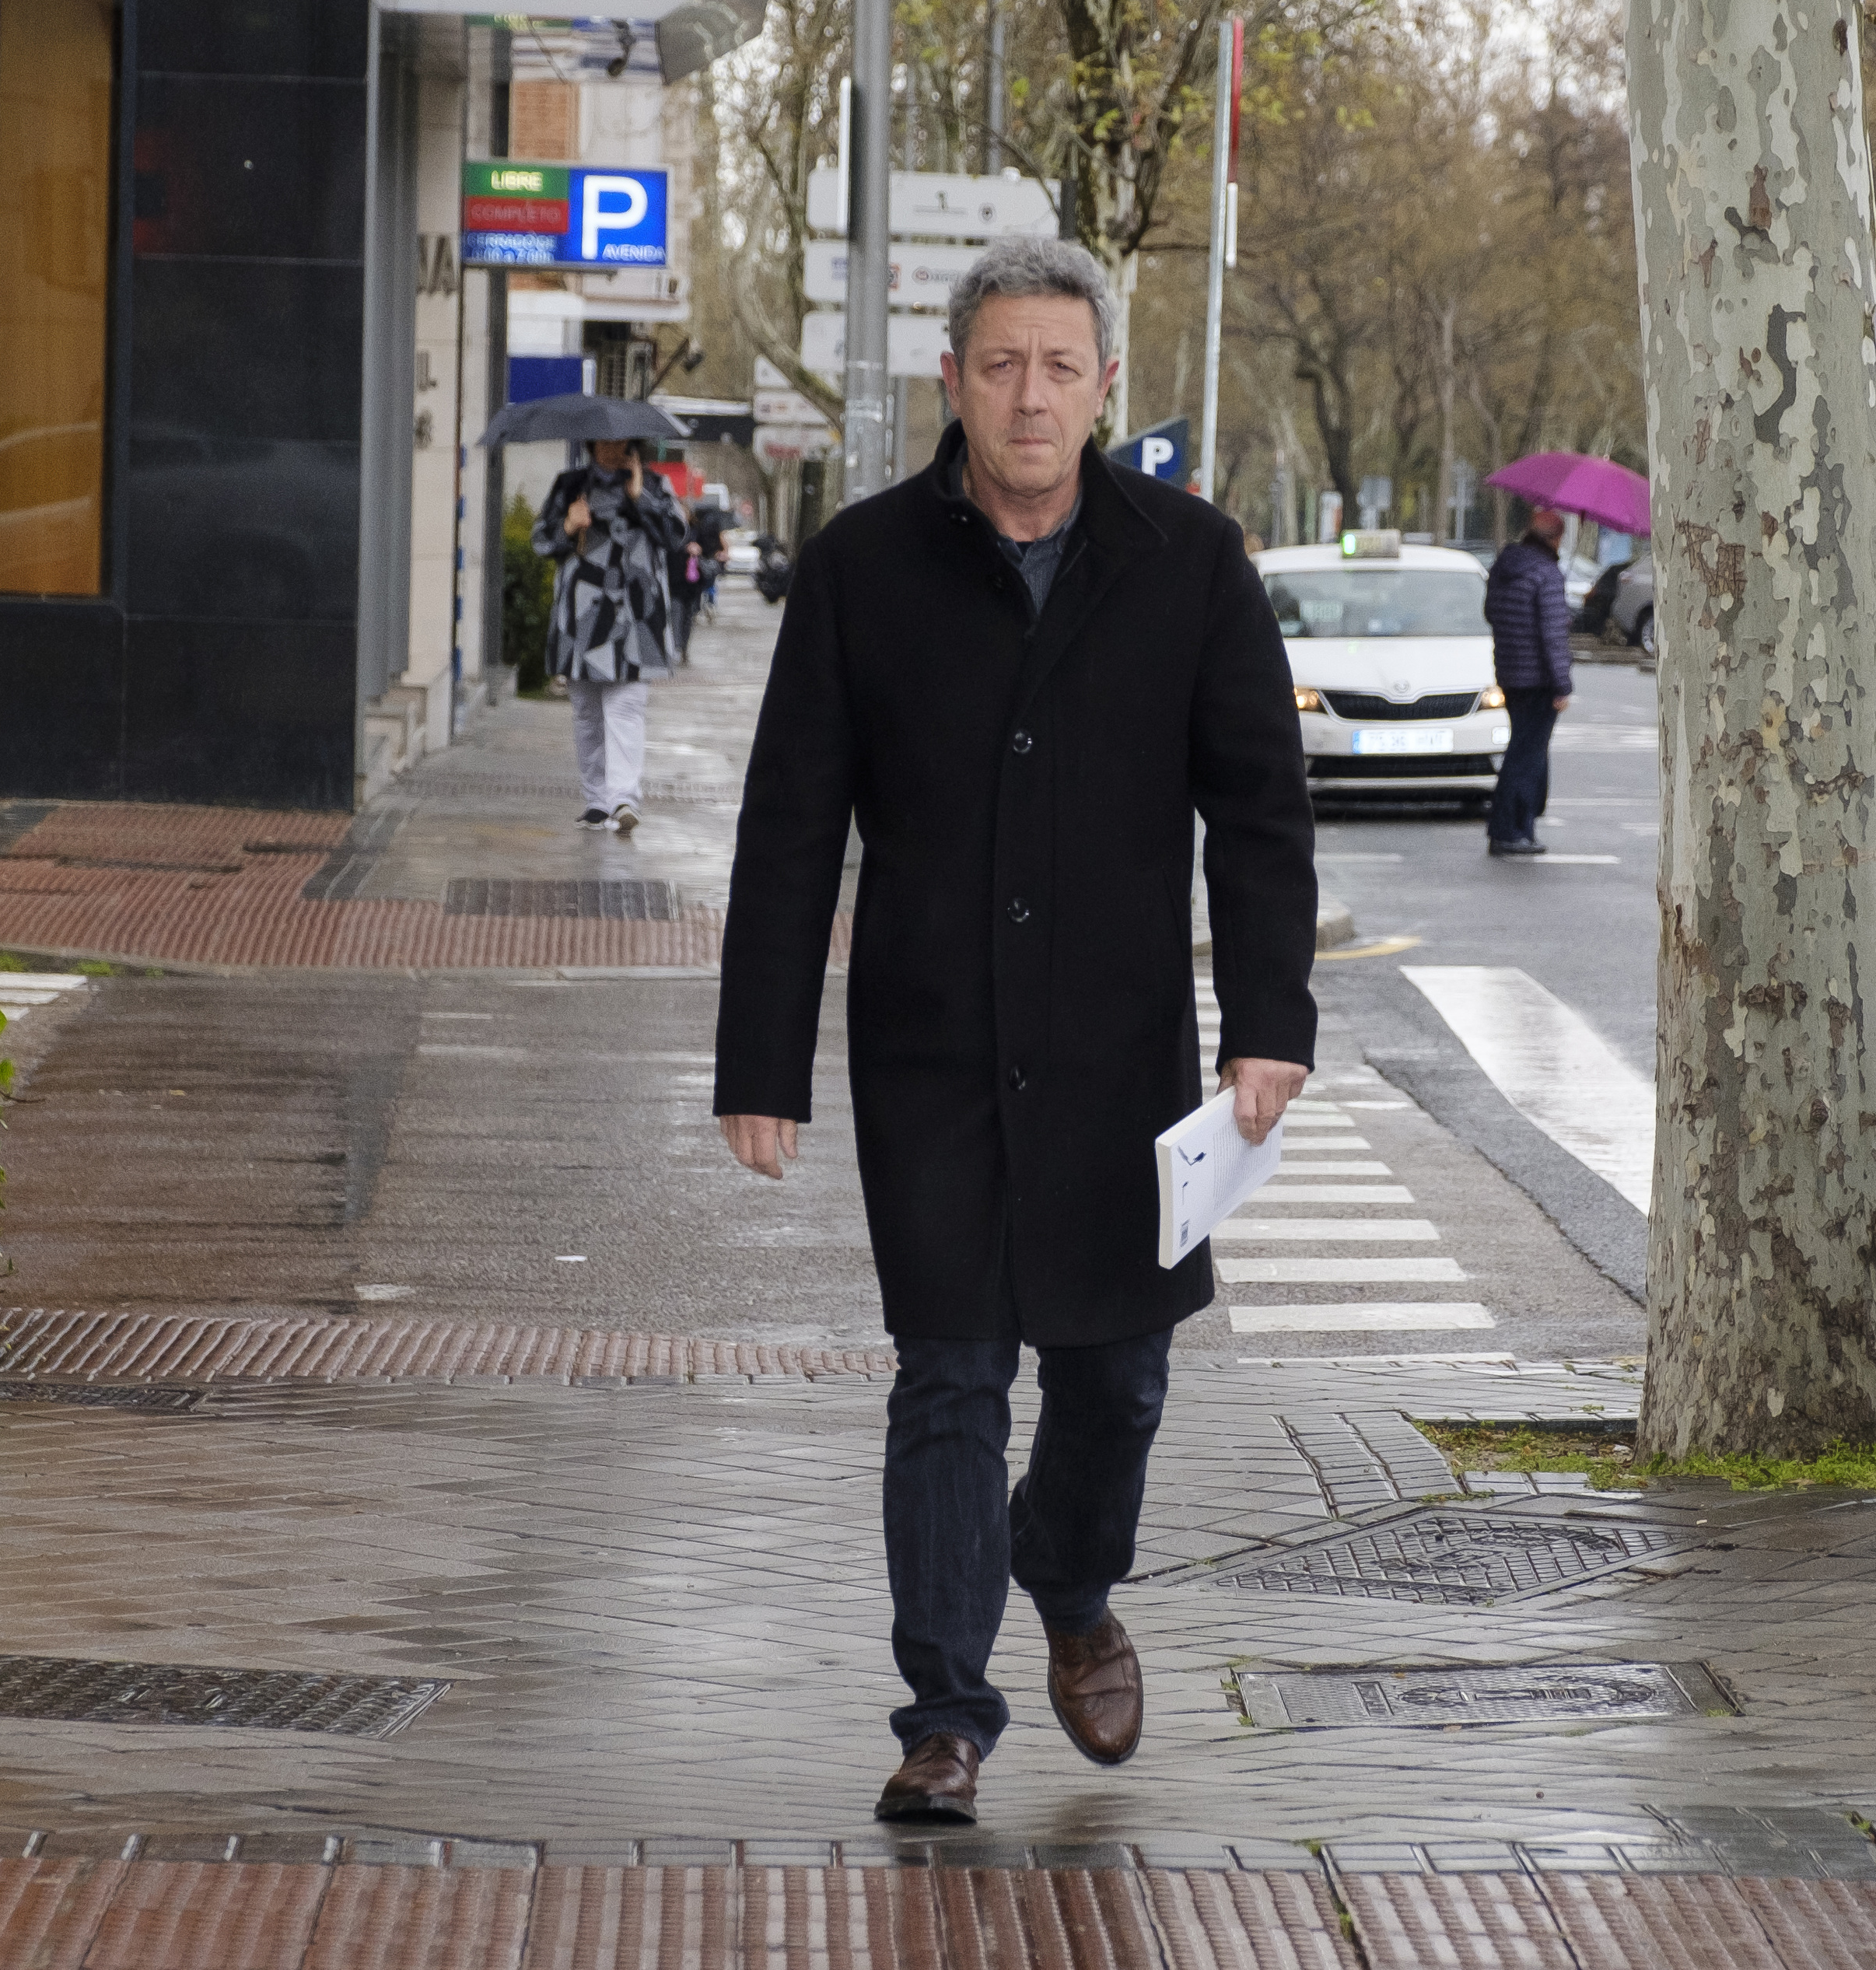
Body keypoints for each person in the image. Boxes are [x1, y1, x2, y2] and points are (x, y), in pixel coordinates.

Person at [712, 236, 1318, 1827]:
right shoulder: (859, 567)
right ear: (953, 384)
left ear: (1105, 385)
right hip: (929, 1054)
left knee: (1115, 1378)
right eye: (1000, 365)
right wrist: (758, 1065)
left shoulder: (1191, 562)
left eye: (1059, 366)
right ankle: (944, 1715)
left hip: (1124, 1060)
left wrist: (1270, 1020)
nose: (1029, 395)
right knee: (953, 1377)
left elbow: (1260, 814)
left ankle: (1071, 1578)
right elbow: (790, 826)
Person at [535, 438, 685, 832]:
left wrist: (641, 498)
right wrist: (569, 525)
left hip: (637, 618)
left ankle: (624, 799)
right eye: (603, 441)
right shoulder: (570, 486)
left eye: (618, 441)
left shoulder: (653, 485)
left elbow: (676, 537)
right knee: (586, 712)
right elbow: (541, 540)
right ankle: (597, 801)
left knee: (625, 708)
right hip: (582, 616)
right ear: (591, 443)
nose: (610, 447)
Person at [1483, 502, 1574, 856]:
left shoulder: (1505, 568)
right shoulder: (1546, 574)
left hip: (1510, 674)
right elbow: (1552, 635)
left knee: (1522, 750)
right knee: (1527, 756)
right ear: (1556, 539)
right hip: (1539, 679)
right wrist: (1562, 685)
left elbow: (1491, 614)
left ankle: (1520, 825)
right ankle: (1510, 829)